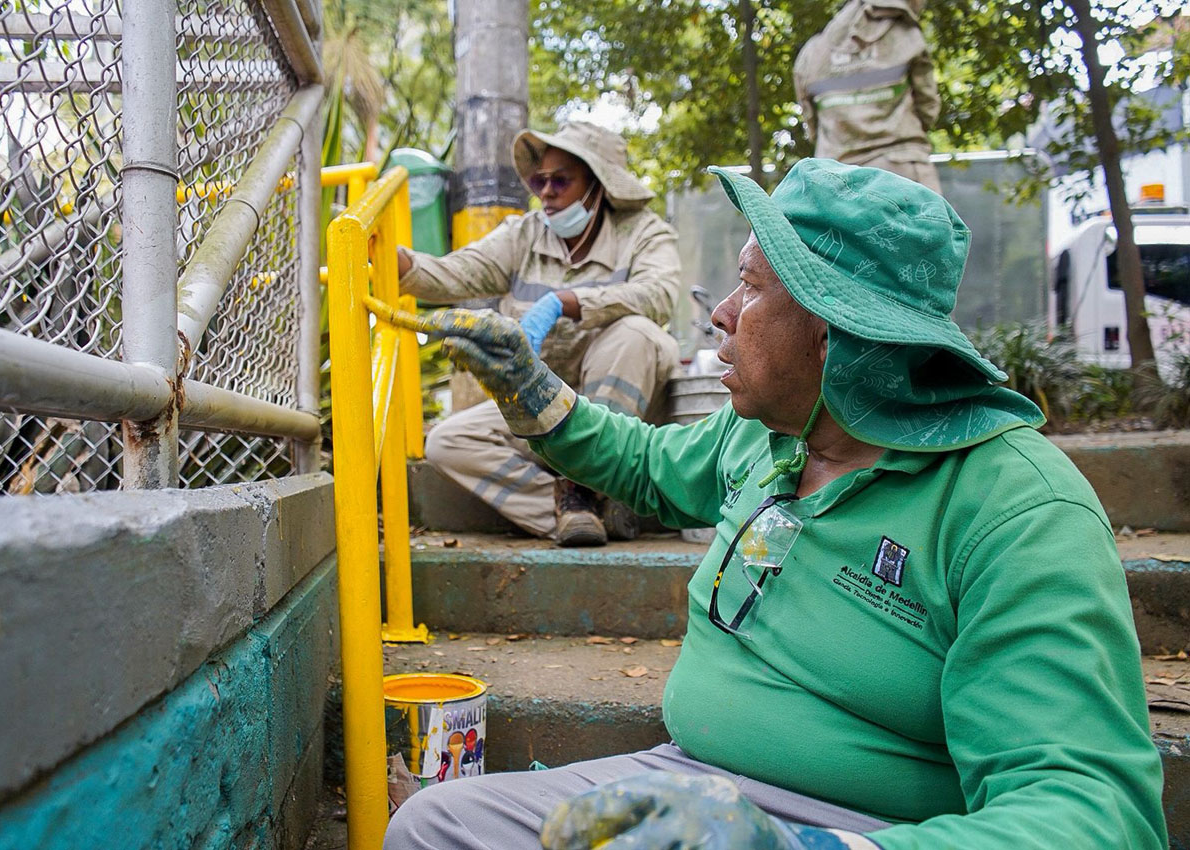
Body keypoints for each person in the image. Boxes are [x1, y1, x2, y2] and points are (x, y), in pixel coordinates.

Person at [376, 159, 1167, 849]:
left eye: (750, 288)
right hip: (686, 787)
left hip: (871, 830)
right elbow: (648, 465)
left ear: (835, 333)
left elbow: (1091, 811)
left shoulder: (1015, 509)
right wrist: (531, 392)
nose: (718, 312)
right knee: (432, 826)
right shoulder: (760, 436)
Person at [396, 120, 681, 547]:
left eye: (560, 181)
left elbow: (660, 295)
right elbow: (459, 271)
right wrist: (399, 263)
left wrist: (567, 301)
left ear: (597, 185)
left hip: (623, 410)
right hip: (545, 401)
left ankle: (594, 485)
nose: (545, 192)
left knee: (636, 334)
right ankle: (583, 511)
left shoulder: (643, 231)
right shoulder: (523, 234)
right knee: (447, 442)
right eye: (538, 180)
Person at [794, 0, 942, 192]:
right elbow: (928, 107)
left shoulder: (812, 52)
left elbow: (811, 124)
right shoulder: (907, 38)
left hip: (836, 180)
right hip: (903, 171)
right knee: (930, 221)